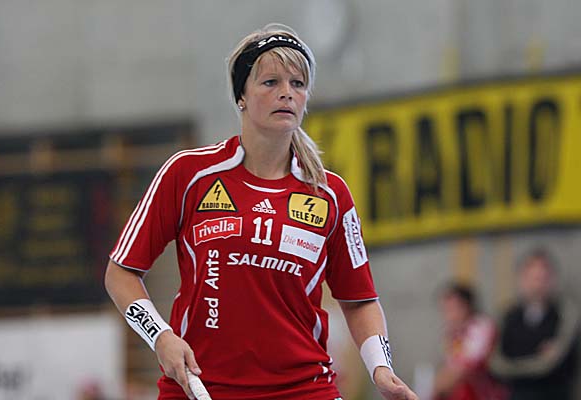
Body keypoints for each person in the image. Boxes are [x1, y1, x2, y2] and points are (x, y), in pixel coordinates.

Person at [104, 23, 418, 400]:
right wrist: (161, 337)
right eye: (271, 82)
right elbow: (121, 272)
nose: (286, 92)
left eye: (297, 84)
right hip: (200, 387)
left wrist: (381, 368)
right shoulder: (188, 174)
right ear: (241, 95)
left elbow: (360, 299)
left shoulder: (330, 194)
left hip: (304, 390)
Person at [489, 248, 581, 400]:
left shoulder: (565, 315)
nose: (538, 284)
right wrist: (538, 357)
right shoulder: (508, 316)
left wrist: (519, 360)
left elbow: (562, 365)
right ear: (521, 279)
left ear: (552, 280)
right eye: (533, 278)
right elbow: (496, 365)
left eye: (543, 278)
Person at [433, 283, 507, 400]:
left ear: (466, 306)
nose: (448, 316)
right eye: (445, 310)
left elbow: (468, 365)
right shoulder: (452, 332)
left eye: (452, 309)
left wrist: (441, 384)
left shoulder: (482, 326)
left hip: (482, 391)